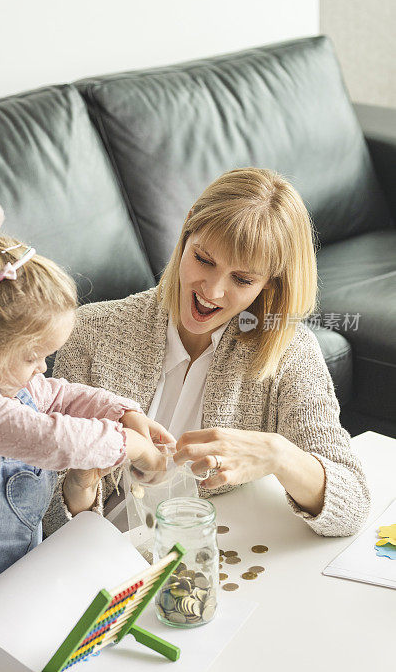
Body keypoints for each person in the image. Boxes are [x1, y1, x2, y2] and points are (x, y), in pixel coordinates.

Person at [0, 192, 170, 627]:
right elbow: (50, 438)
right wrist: (129, 444)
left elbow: (60, 395)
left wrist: (125, 413)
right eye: (33, 356)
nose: (42, 368)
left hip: (6, 603)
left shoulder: (5, 381)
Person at [49, 168, 370, 537]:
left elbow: (352, 503)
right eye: (204, 259)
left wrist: (276, 455)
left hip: (217, 554)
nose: (213, 291)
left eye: (243, 279)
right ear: (187, 232)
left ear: (269, 284)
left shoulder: (288, 351)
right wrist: (81, 482)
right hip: (101, 556)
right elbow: (38, 516)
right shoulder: (91, 334)